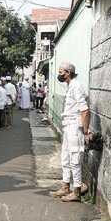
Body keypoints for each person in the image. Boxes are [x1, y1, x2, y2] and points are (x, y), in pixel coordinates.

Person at [48, 62, 89, 202]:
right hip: (68, 127)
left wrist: (86, 131)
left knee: (75, 159)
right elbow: (86, 99)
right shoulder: (71, 86)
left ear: (68, 73)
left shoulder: (76, 86)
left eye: (61, 72)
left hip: (75, 127)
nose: (59, 75)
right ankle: (65, 187)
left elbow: (85, 110)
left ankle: (76, 191)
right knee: (65, 158)